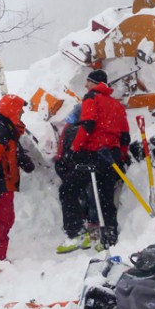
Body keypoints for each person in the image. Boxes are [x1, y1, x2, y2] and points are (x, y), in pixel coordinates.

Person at [56, 69, 130, 253]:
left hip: (92, 154)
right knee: (105, 196)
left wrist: (75, 148)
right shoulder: (117, 105)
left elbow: (88, 125)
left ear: (95, 83)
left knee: (68, 189)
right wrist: (119, 156)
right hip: (110, 157)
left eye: (88, 82)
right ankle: (109, 235)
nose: (85, 85)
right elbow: (125, 137)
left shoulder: (91, 98)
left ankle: (76, 233)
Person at [0, 94, 35, 261]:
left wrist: (23, 160)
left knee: (0, 221)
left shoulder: (7, 129)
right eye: (20, 112)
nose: (21, 115)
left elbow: (8, 152)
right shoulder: (0, 129)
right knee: (2, 223)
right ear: (12, 111)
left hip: (1, 183)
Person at [54, 104, 99, 254]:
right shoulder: (91, 129)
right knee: (92, 198)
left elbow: (72, 153)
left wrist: (68, 165)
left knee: (67, 192)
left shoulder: (75, 130)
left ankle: (76, 233)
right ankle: (95, 234)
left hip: (81, 169)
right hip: (93, 168)